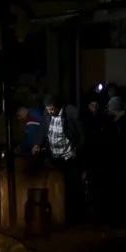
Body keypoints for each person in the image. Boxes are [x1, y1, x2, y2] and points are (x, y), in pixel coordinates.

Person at [32, 94, 85, 223]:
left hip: (69, 157)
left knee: (72, 188)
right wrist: (37, 144)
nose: (49, 112)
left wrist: (76, 151)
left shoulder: (70, 113)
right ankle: (59, 217)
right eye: (48, 110)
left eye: (51, 109)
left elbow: (83, 135)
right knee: (57, 187)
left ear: (57, 107)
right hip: (55, 158)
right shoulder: (47, 115)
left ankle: (75, 218)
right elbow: (43, 131)